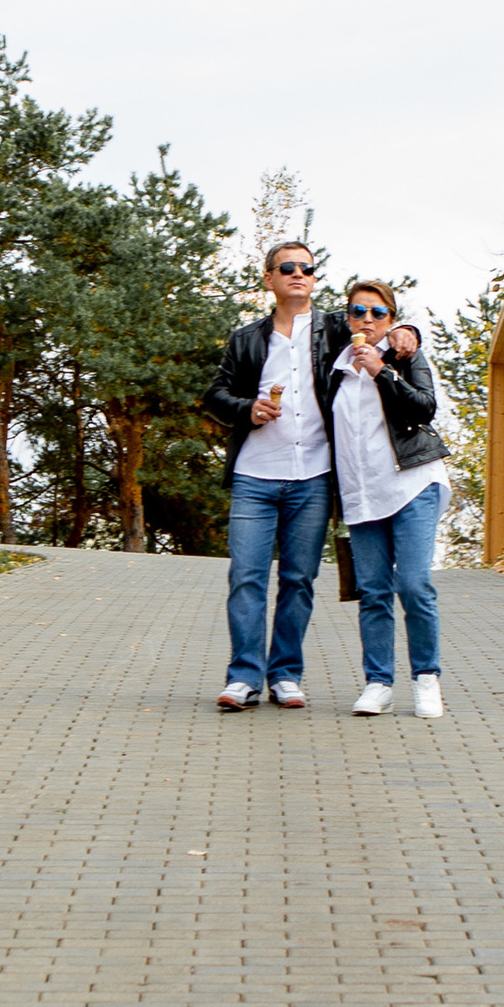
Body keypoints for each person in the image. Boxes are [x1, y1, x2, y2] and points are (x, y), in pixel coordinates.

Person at [201, 241, 342, 710]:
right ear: (270, 279)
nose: (298, 273)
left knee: (299, 580)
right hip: (255, 476)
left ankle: (286, 675)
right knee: (247, 577)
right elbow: (215, 395)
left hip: (314, 475)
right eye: (288, 267)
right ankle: (243, 676)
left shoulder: (334, 330)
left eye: (307, 267)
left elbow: (377, 322)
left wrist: (409, 330)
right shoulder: (247, 338)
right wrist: (249, 409)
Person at [330, 276, 451, 719]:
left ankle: (426, 678)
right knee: (373, 591)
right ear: (346, 318)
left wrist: (384, 369)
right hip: (362, 492)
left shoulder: (406, 355)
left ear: (392, 320)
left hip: (412, 483)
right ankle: (378, 683)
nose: (367, 320)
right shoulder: (336, 364)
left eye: (378, 313)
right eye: (358, 312)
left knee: (414, 584)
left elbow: (424, 407)